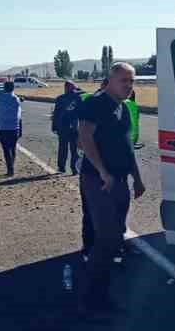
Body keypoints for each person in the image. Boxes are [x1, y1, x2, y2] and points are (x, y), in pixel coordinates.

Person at [77, 62, 145, 317]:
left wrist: (137, 178)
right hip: (98, 180)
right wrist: (103, 171)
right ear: (110, 80)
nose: (128, 86)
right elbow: (85, 138)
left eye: (132, 81)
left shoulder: (124, 109)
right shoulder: (95, 103)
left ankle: (102, 295)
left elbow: (127, 146)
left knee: (115, 237)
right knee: (106, 237)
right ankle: (91, 300)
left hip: (120, 181)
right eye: (123, 81)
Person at [51, 80, 83, 175]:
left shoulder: (60, 98)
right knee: (74, 150)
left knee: (63, 148)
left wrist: (54, 126)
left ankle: (61, 167)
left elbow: (56, 114)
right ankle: (74, 169)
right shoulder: (78, 97)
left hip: (63, 127)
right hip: (74, 127)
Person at [0, 79, 23, 176]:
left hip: (3, 127)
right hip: (14, 127)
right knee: (13, 148)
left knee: (6, 149)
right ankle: (12, 166)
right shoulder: (16, 99)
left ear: (4, 88)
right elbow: (19, 115)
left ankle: (10, 168)